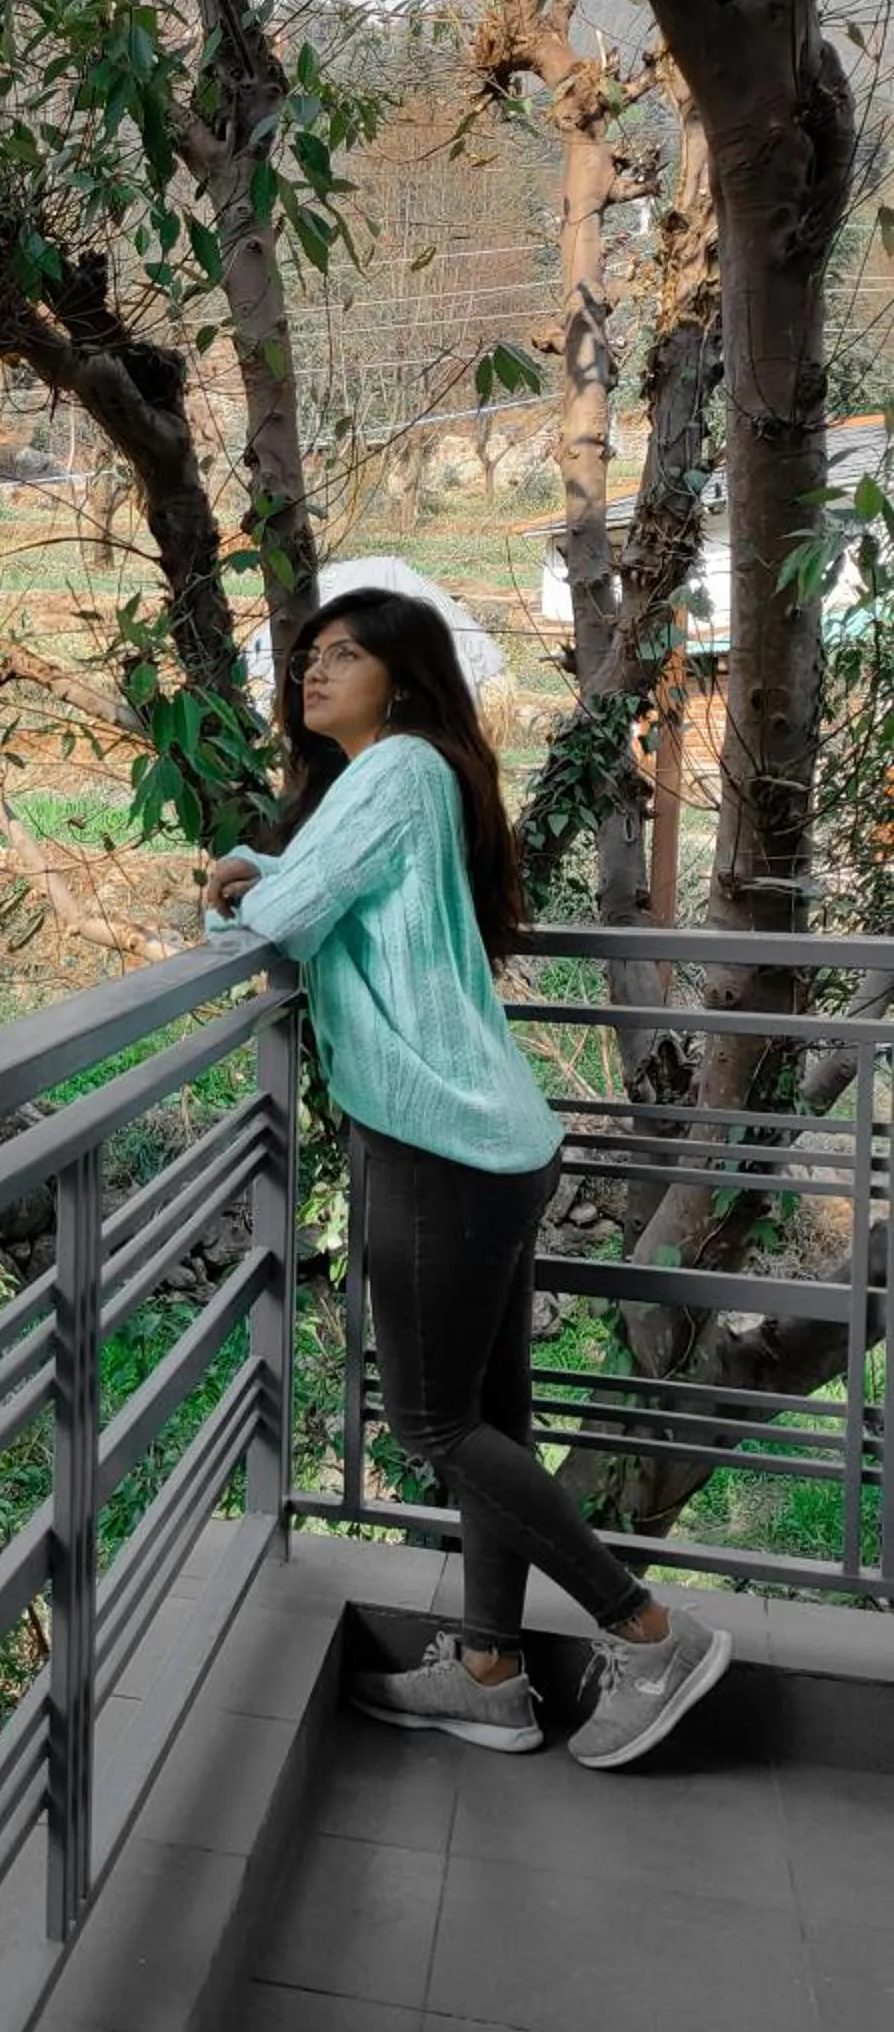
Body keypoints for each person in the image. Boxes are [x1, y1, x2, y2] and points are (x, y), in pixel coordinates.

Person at [205, 589, 731, 1770]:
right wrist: (263, 869)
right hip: (491, 1138)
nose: (314, 672)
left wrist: (238, 878)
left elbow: (282, 916)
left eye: (346, 655)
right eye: (309, 657)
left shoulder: (393, 773)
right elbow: (303, 888)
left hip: (436, 1143)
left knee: (433, 1419)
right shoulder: (410, 776)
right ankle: (493, 1670)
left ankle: (648, 1632)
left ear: (404, 676)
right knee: (488, 1417)